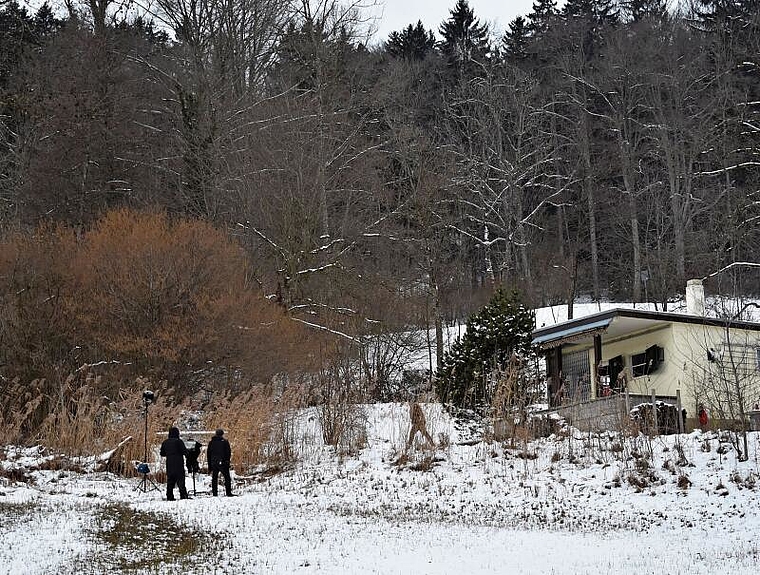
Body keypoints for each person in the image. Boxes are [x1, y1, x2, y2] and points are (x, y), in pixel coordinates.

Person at [160, 427, 189, 501]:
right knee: (180, 479)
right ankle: (183, 495)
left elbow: (162, 453)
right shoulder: (179, 441)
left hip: (169, 463)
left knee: (170, 480)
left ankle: (169, 496)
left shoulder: (165, 442)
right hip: (178, 462)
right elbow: (185, 452)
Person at [207, 428, 233, 496]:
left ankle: (215, 493)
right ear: (222, 434)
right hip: (223, 463)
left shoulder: (211, 442)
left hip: (214, 463)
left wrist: (209, 465)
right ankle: (228, 492)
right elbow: (228, 453)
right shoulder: (225, 442)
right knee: (227, 478)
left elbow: (208, 454)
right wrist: (227, 461)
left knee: (214, 478)